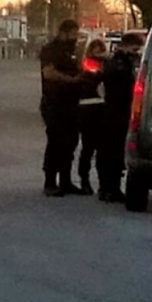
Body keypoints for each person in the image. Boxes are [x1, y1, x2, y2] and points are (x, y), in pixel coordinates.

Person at [98, 32, 145, 202]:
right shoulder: (119, 64)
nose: (136, 52)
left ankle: (107, 188)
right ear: (127, 45)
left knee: (110, 152)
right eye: (135, 48)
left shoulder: (114, 61)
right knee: (114, 152)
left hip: (113, 111)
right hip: (116, 112)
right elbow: (123, 88)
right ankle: (111, 188)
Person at [40, 19, 83, 197]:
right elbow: (48, 73)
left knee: (70, 143)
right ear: (64, 32)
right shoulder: (51, 50)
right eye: (73, 34)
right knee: (56, 143)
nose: (75, 38)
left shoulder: (71, 52)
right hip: (54, 103)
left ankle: (66, 181)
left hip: (71, 103)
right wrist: (70, 79)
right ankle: (50, 182)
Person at [76, 38, 108, 195]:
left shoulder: (106, 66)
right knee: (89, 147)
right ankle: (84, 180)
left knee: (102, 149)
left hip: (102, 109)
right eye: (96, 51)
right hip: (88, 108)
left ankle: (102, 183)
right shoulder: (88, 65)